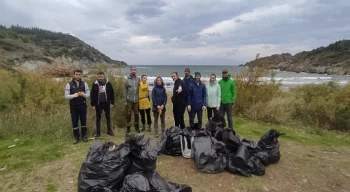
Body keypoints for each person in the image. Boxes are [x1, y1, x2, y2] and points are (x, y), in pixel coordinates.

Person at [64, 69, 90, 144]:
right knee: (74, 121)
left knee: (83, 120)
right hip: (73, 106)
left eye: (79, 74)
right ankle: (76, 137)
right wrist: (75, 95)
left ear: (81, 75)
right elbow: (66, 96)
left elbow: (88, 94)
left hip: (82, 105)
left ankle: (84, 135)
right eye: (76, 74)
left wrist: (83, 94)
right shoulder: (69, 84)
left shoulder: (84, 84)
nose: (78, 76)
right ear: (74, 75)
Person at [90, 71, 115, 138]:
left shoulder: (108, 83)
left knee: (108, 117)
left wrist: (112, 102)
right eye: (99, 76)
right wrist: (92, 104)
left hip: (106, 103)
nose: (100, 77)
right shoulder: (94, 84)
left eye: (102, 76)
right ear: (97, 76)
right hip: (98, 104)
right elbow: (92, 94)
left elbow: (112, 93)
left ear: (103, 76)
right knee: (98, 118)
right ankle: (98, 133)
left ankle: (109, 131)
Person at [124, 66, 140, 133]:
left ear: (136, 71)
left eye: (134, 70)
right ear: (130, 71)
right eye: (132, 70)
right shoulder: (127, 80)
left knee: (136, 114)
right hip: (129, 100)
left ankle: (136, 127)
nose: (133, 71)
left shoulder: (138, 79)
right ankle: (128, 127)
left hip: (136, 100)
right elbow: (125, 90)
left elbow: (142, 87)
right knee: (128, 114)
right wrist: (125, 100)